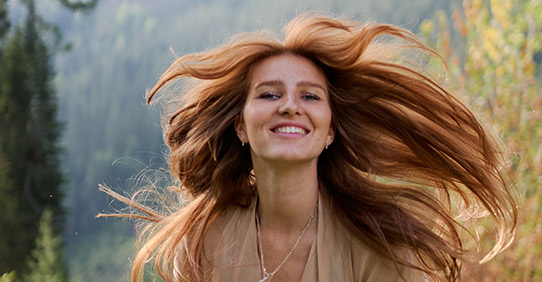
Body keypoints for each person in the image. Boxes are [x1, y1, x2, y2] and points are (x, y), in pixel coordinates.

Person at [103, 13, 516, 282]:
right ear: (241, 127)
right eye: (268, 95)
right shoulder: (205, 240)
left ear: (330, 130)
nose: (289, 106)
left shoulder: (380, 247)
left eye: (311, 97)